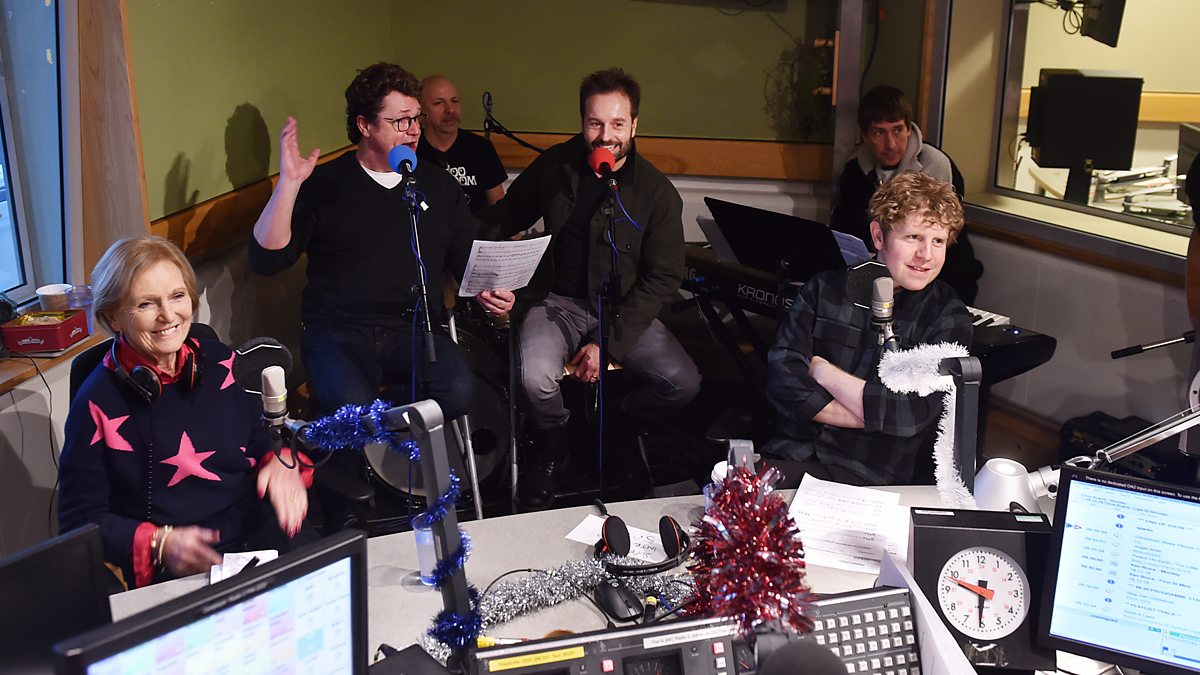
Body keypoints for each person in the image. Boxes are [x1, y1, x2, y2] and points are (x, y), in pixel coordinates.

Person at [479, 67, 701, 510]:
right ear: (582, 122)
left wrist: (609, 344)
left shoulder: (656, 192)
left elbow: (663, 277)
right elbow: (501, 220)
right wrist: (489, 275)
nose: (606, 135)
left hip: (624, 309)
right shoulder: (555, 167)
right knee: (533, 378)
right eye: (595, 123)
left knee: (683, 383)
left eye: (617, 124)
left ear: (634, 126)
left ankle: (618, 425)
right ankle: (554, 439)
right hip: (555, 302)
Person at [58, 236, 314, 589]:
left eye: (177, 296)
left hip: (260, 539)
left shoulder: (223, 362)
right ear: (113, 316)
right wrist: (159, 543)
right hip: (181, 564)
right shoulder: (96, 403)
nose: (168, 315)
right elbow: (79, 522)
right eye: (146, 304)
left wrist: (281, 463)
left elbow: (263, 443)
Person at [763, 172, 974, 485]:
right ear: (878, 236)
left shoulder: (948, 317)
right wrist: (873, 413)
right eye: (913, 237)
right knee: (722, 498)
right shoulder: (824, 288)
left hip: (868, 476)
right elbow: (781, 380)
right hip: (790, 454)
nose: (926, 255)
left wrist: (822, 372)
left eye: (938, 241)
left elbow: (908, 416)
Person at [831, 85, 982, 305]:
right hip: (874, 282)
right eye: (879, 132)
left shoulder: (937, 165)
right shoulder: (854, 172)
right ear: (865, 135)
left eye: (898, 130)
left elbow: (945, 242)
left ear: (909, 129)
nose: (891, 144)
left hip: (939, 280)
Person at [417, 75, 507, 213]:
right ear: (420, 110)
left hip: (475, 226)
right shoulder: (411, 149)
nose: (450, 110)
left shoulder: (480, 148)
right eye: (439, 103)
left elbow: (499, 210)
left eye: (455, 101)